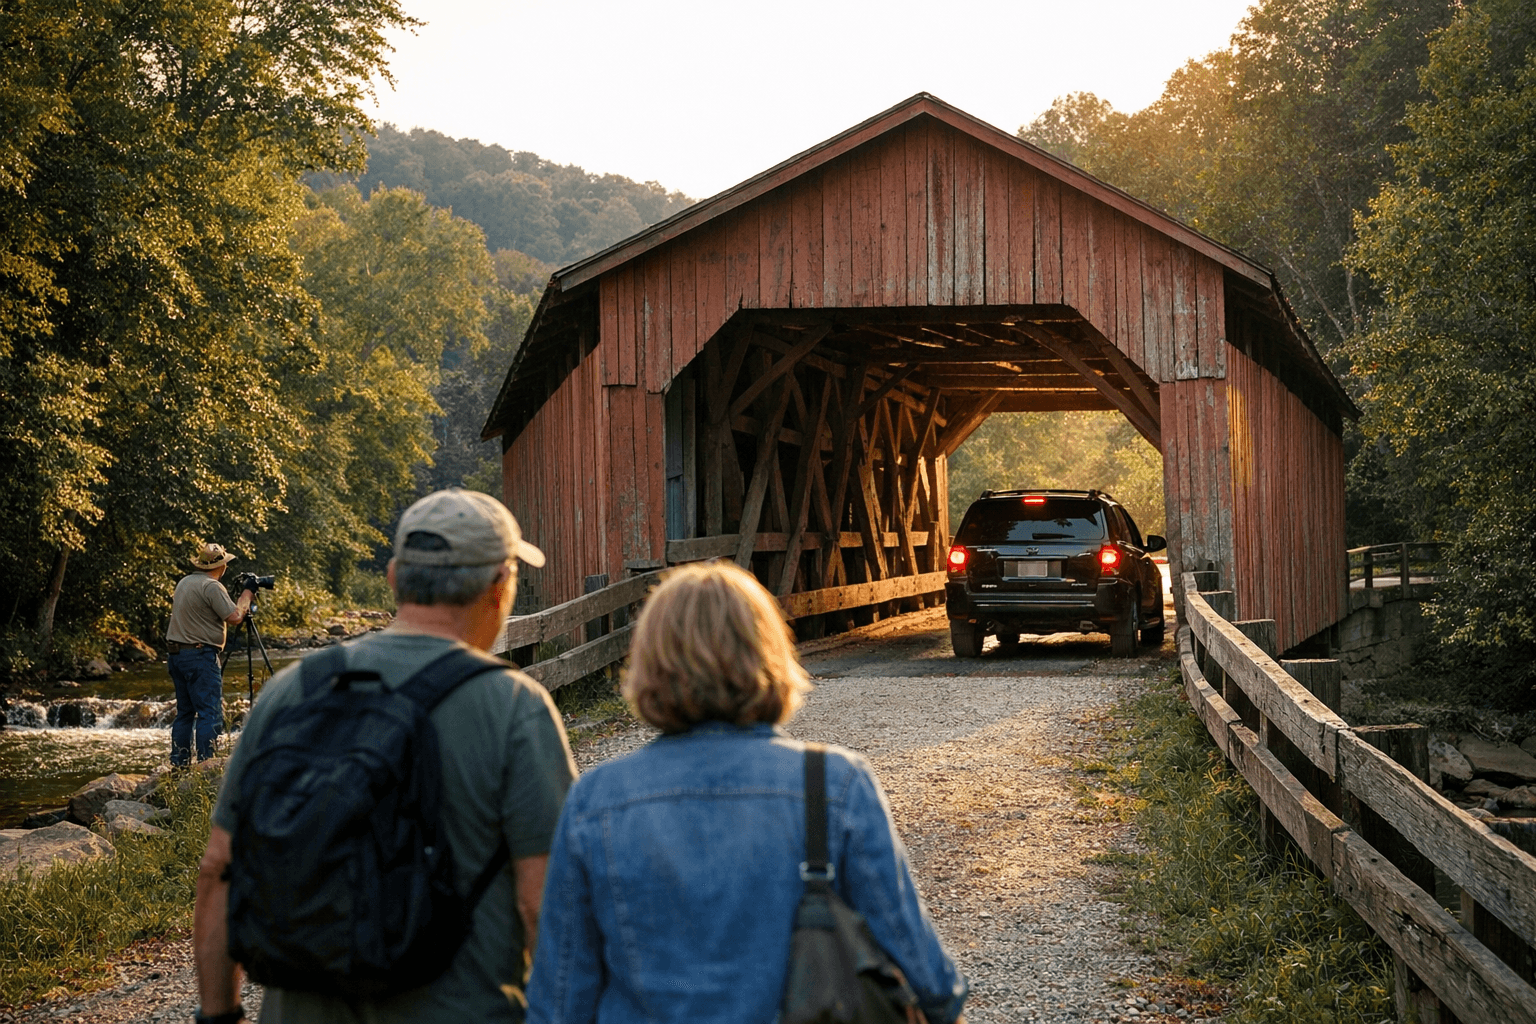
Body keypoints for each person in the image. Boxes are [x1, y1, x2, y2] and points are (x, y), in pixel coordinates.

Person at [192, 488, 577, 1024]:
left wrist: (219, 1014)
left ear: (395, 578)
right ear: (500, 586)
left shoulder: (292, 690)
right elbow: (542, 905)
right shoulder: (513, 706)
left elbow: (219, 870)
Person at [526, 561, 969, 1024]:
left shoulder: (596, 801)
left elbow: (559, 1000)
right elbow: (928, 978)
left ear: (648, 660)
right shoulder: (834, 785)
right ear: (768, 652)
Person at [166, 543, 255, 766]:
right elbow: (235, 617)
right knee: (210, 714)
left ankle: (180, 765)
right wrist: (247, 592)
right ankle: (207, 767)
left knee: (185, 713)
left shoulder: (184, 582)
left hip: (177, 655)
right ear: (222, 566)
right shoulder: (211, 586)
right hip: (199, 655)